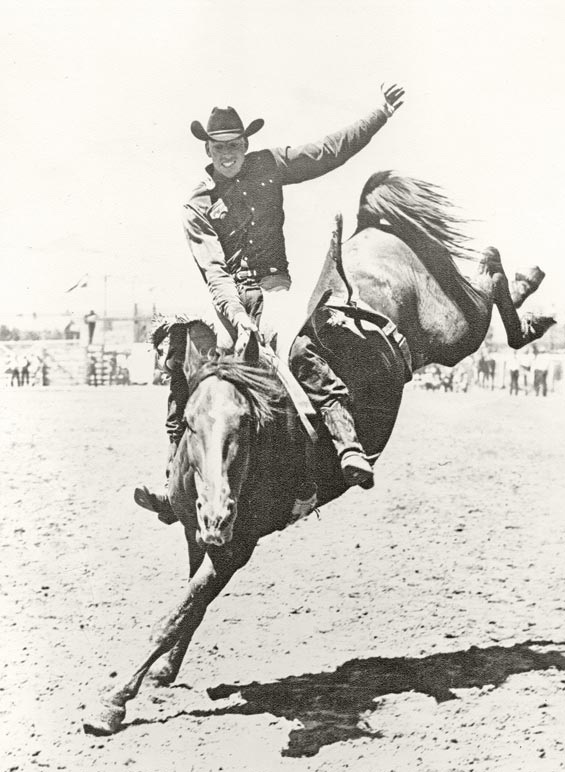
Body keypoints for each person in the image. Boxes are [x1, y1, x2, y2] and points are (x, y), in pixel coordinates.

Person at [136, 83, 406, 522]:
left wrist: (380, 114)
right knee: (181, 361)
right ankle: (173, 484)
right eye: (219, 146)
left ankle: (343, 445)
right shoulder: (196, 204)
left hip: (275, 287)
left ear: (247, 143)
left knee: (293, 351)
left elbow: (327, 151)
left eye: (236, 144)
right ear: (207, 147)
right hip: (226, 298)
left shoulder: (270, 165)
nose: (229, 154)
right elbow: (214, 272)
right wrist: (238, 317)